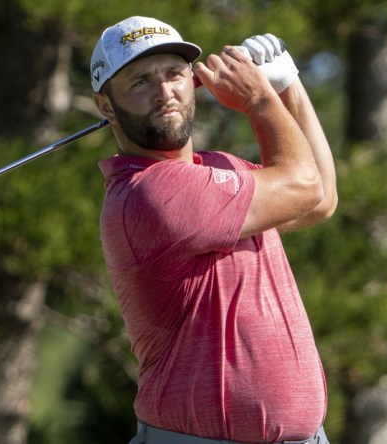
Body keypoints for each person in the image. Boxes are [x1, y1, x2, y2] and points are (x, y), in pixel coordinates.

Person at [90, 16, 337, 444]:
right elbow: (305, 184)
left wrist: (286, 83)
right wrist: (260, 99)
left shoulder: (222, 169)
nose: (164, 92)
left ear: (192, 80)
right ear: (106, 105)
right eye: (140, 82)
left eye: (174, 74)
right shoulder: (148, 193)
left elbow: (319, 199)